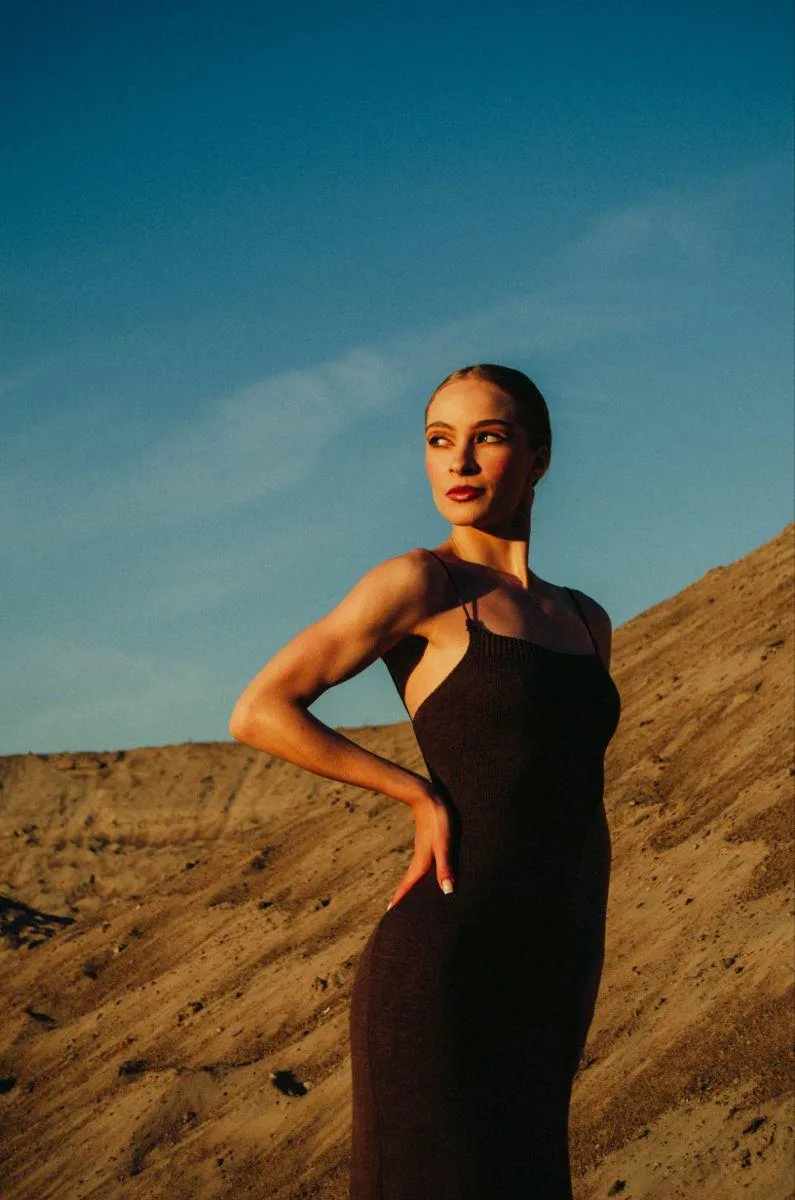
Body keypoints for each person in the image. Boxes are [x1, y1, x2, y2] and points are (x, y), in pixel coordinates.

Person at [229, 362, 622, 1199]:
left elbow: (579, 807)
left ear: (540, 456)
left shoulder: (585, 619)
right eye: (440, 442)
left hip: (544, 967)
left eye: (487, 438)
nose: (460, 463)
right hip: (439, 967)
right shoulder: (421, 584)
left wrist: (581, 960)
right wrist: (412, 791)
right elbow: (262, 709)